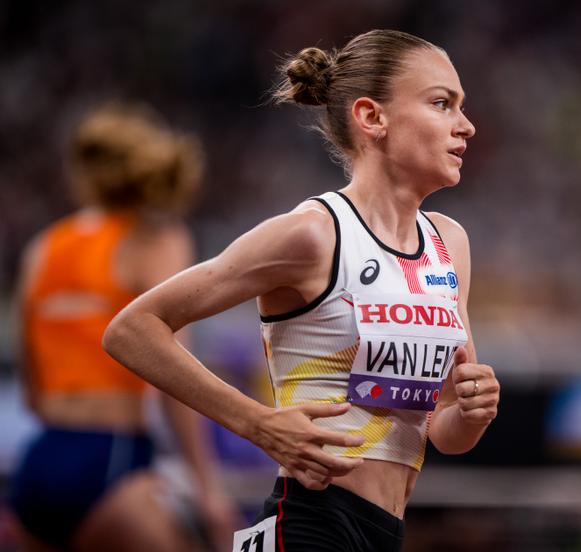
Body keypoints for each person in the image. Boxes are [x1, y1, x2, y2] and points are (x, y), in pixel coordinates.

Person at [103, 29, 500, 551]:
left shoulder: (449, 243)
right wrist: (257, 422)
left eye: (461, 107)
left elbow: (443, 431)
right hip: (312, 524)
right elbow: (131, 329)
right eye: (442, 104)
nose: (466, 126)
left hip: (384, 532)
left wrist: (472, 412)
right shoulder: (314, 234)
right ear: (372, 117)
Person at [9, 102, 236, 552]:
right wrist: (208, 487)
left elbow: (31, 388)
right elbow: (176, 375)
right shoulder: (156, 240)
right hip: (111, 459)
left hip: (39, 463)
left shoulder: (45, 246)